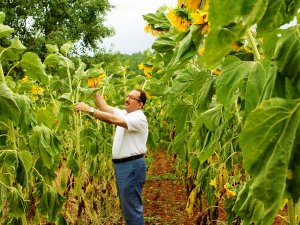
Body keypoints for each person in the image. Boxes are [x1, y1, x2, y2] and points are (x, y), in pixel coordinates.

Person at [74, 88, 148, 225]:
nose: (128, 98)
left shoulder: (139, 118)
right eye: (128, 96)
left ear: (140, 104)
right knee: (128, 208)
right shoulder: (126, 114)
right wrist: (94, 88)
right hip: (123, 166)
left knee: (132, 209)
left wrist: (89, 110)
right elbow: (104, 107)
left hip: (131, 166)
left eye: (133, 98)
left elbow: (112, 119)